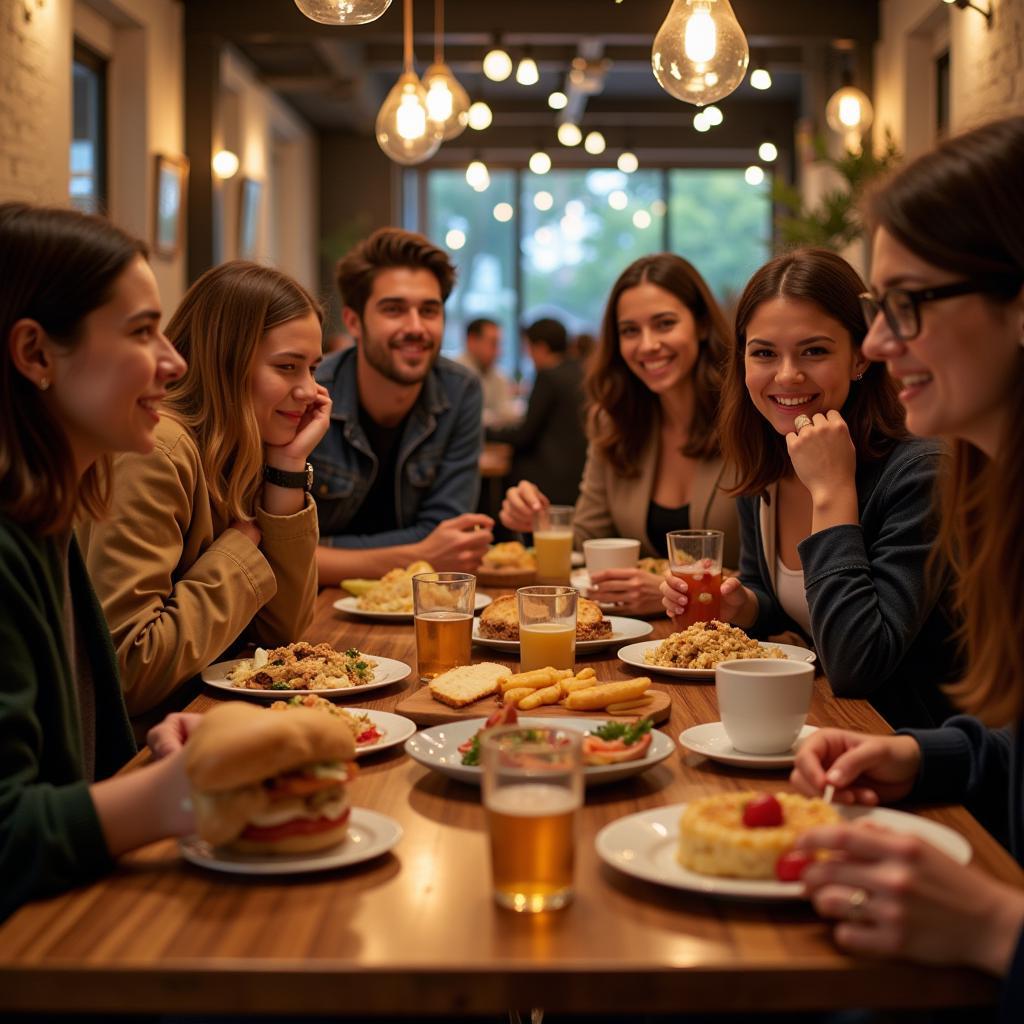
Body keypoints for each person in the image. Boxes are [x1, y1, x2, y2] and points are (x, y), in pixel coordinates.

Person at [789, 116, 1024, 1024]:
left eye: (908, 304)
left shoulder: (923, 471)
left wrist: (1000, 926)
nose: (880, 345)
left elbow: (859, 654)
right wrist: (925, 755)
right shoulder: (995, 494)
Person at [661, 247, 958, 729]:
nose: (786, 375)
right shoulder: (769, 454)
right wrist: (746, 605)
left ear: (860, 356)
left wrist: (833, 492)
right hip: (807, 722)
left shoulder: (921, 470)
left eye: (814, 351)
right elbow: (780, 595)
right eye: (763, 353)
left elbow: (857, 663)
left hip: (904, 745)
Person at [0, 202, 196, 919]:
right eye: (144, 331)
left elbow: (60, 773)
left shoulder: (49, 516)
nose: (173, 363)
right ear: (34, 353)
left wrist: (152, 752)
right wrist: (172, 792)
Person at [79, 261, 328, 721]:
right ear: (224, 361)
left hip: (208, 716)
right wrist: (236, 557)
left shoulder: (245, 447)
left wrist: (289, 470)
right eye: (287, 367)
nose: (311, 391)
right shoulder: (158, 450)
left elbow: (284, 635)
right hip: (139, 751)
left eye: (313, 368)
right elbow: (128, 672)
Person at [501, 254, 739, 617]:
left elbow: (772, 580)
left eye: (664, 324)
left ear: (702, 325)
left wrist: (669, 588)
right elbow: (587, 540)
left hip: (734, 646)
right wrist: (538, 519)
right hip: (636, 641)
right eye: (630, 331)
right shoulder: (614, 423)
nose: (647, 345)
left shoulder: (747, 421)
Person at [312, 228, 493, 585]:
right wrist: (421, 554)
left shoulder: (461, 392)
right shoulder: (312, 393)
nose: (415, 327)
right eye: (394, 309)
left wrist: (324, 555)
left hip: (422, 609)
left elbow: (449, 538)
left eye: (429, 310)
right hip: (314, 612)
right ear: (353, 322)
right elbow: (277, 555)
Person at [487, 317, 588, 510]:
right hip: (580, 475)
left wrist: (486, 432)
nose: (528, 354)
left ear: (541, 347)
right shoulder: (580, 371)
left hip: (551, 478)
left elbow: (524, 435)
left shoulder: (549, 377)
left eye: (528, 347)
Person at [454, 317, 520, 427]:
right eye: (493, 344)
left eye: (500, 344)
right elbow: (465, 418)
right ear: (471, 341)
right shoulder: (454, 375)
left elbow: (506, 411)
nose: (499, 352)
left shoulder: (499, 376)